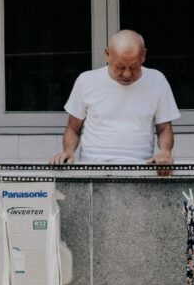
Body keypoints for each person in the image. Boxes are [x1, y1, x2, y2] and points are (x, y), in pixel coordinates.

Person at [49, 30, 179, 176]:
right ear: (107, 54)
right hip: (93, 169)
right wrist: (68, 151)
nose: (127, 74)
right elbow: (73, 129)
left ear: (144, 55)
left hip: (140, 169)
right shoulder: (86, 81)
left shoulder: (157, 80)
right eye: (120, 67)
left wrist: (165, 152)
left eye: (134, 67)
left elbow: (164, 128)